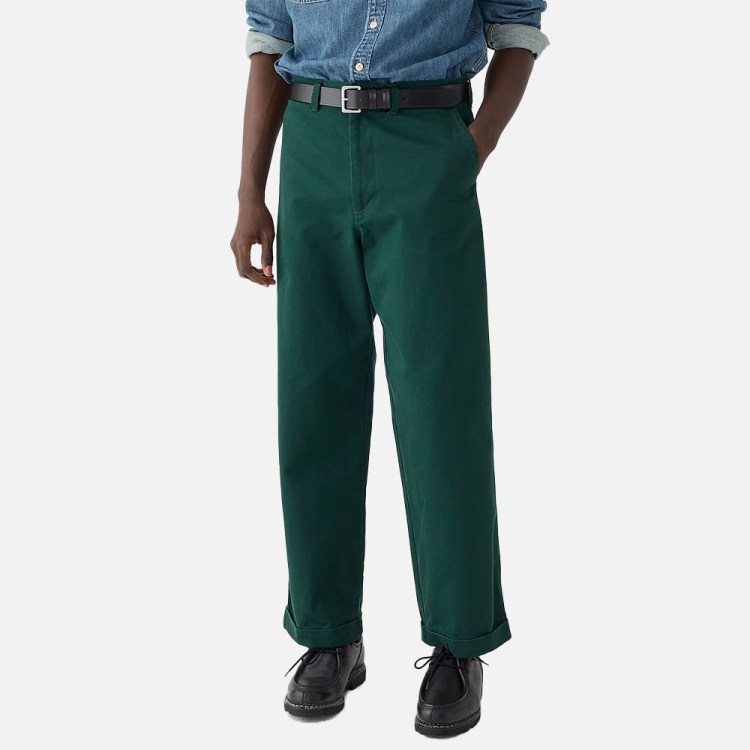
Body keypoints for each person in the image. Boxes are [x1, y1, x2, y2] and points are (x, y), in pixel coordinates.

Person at [229, 0, 549, 738]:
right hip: (309, 148)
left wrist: (471, 149)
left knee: (441, 408)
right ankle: (328, 632)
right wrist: (250, 190)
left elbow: (517, 29)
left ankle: (460, 641)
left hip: (426, 142)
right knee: (313, 403)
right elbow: (270, 38)